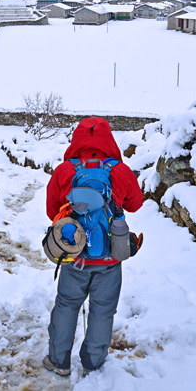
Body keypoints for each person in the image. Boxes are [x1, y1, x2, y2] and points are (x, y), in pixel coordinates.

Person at [43, 117, 143, 376]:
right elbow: (136, 204)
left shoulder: (65, 171)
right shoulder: (119, 171)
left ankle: (58, 361)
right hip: (110, 257)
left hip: (74, 256)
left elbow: (51, 211)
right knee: (103, 310)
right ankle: (93, 363)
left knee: (66, 305)